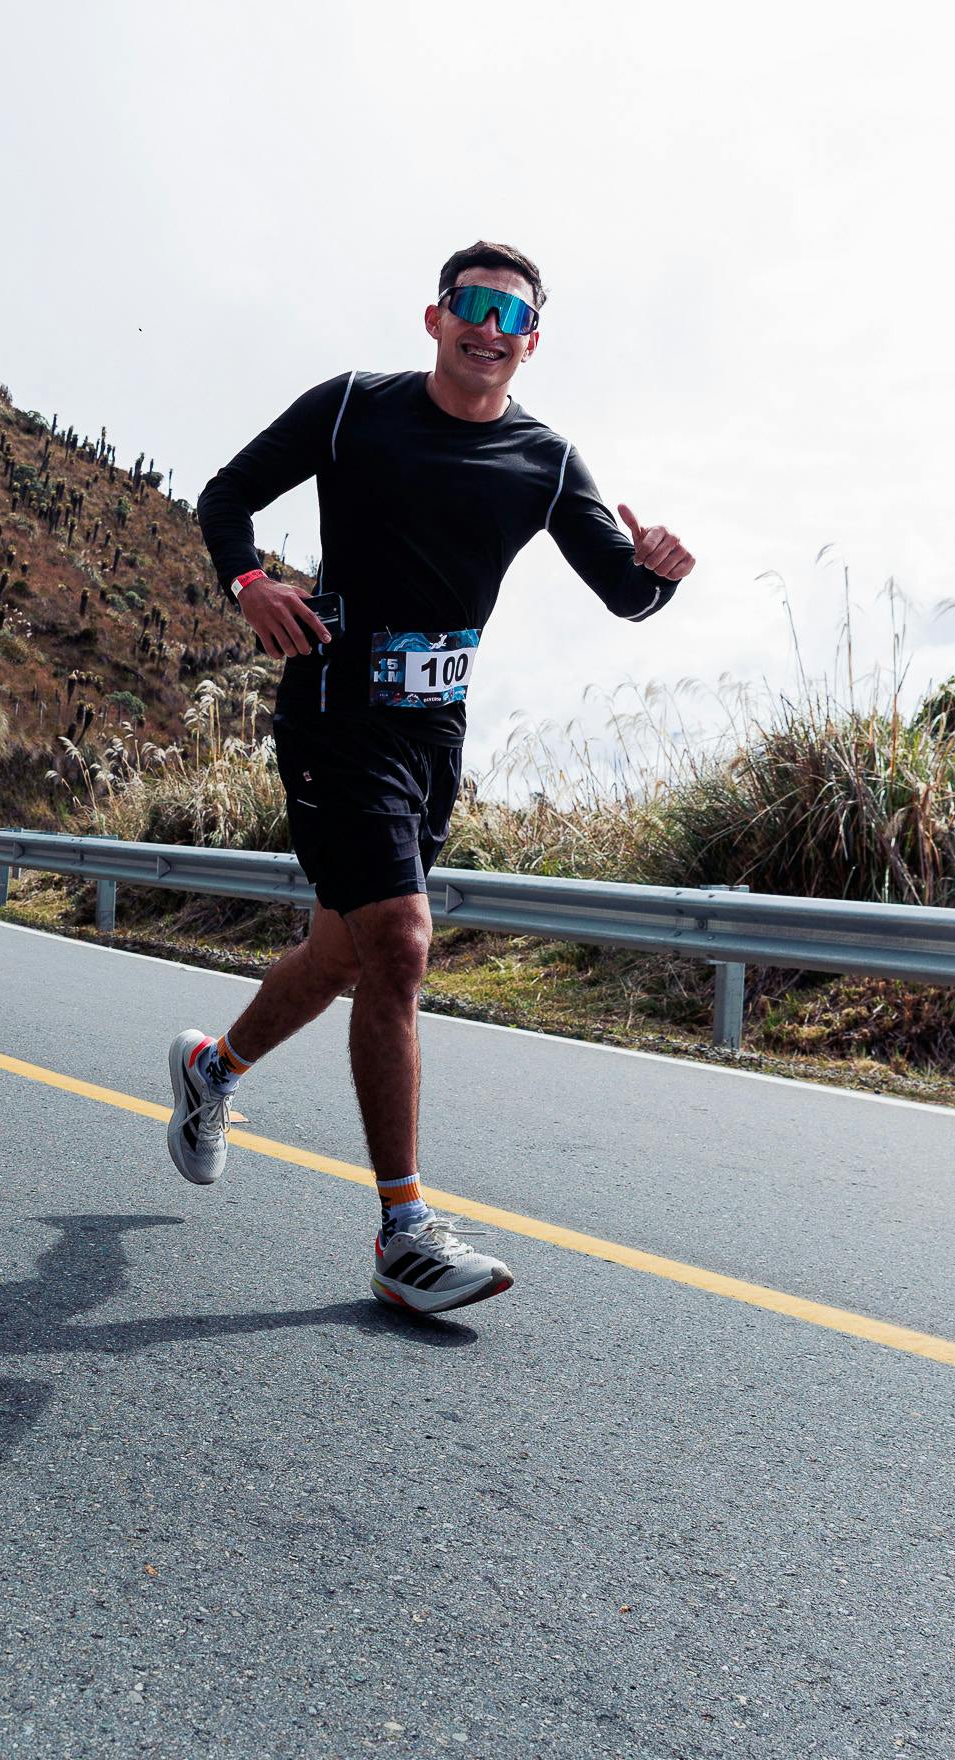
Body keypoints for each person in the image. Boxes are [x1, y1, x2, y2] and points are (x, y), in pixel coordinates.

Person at [170, 241, 696, 1314]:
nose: (489, 326)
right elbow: (225, 495)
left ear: (531, 342)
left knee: (338, 955)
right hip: (332, 711)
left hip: (432, 739)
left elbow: (625, 598)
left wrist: (662, 573)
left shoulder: (545, 461)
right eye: (473, 304)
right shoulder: (353, 407)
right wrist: (250, 581)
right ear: (435, 316)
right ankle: (404, 1230)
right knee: (401, 944)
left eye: (511, 313)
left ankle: (211, 1070)